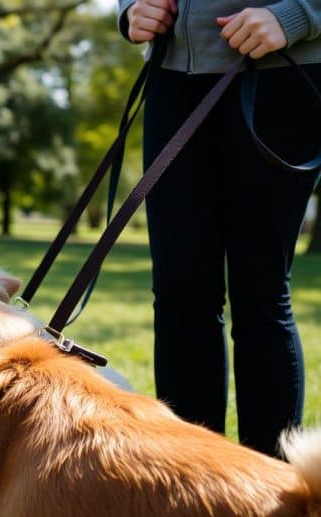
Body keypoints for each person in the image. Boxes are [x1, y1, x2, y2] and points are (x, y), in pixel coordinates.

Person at [119, 0, 321, 457]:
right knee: (179, 293)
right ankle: (190, 485)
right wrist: (132, 7)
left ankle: (273, 500)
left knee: (260, 291)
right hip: (173, 73)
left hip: (281, 71)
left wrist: (297, 15)